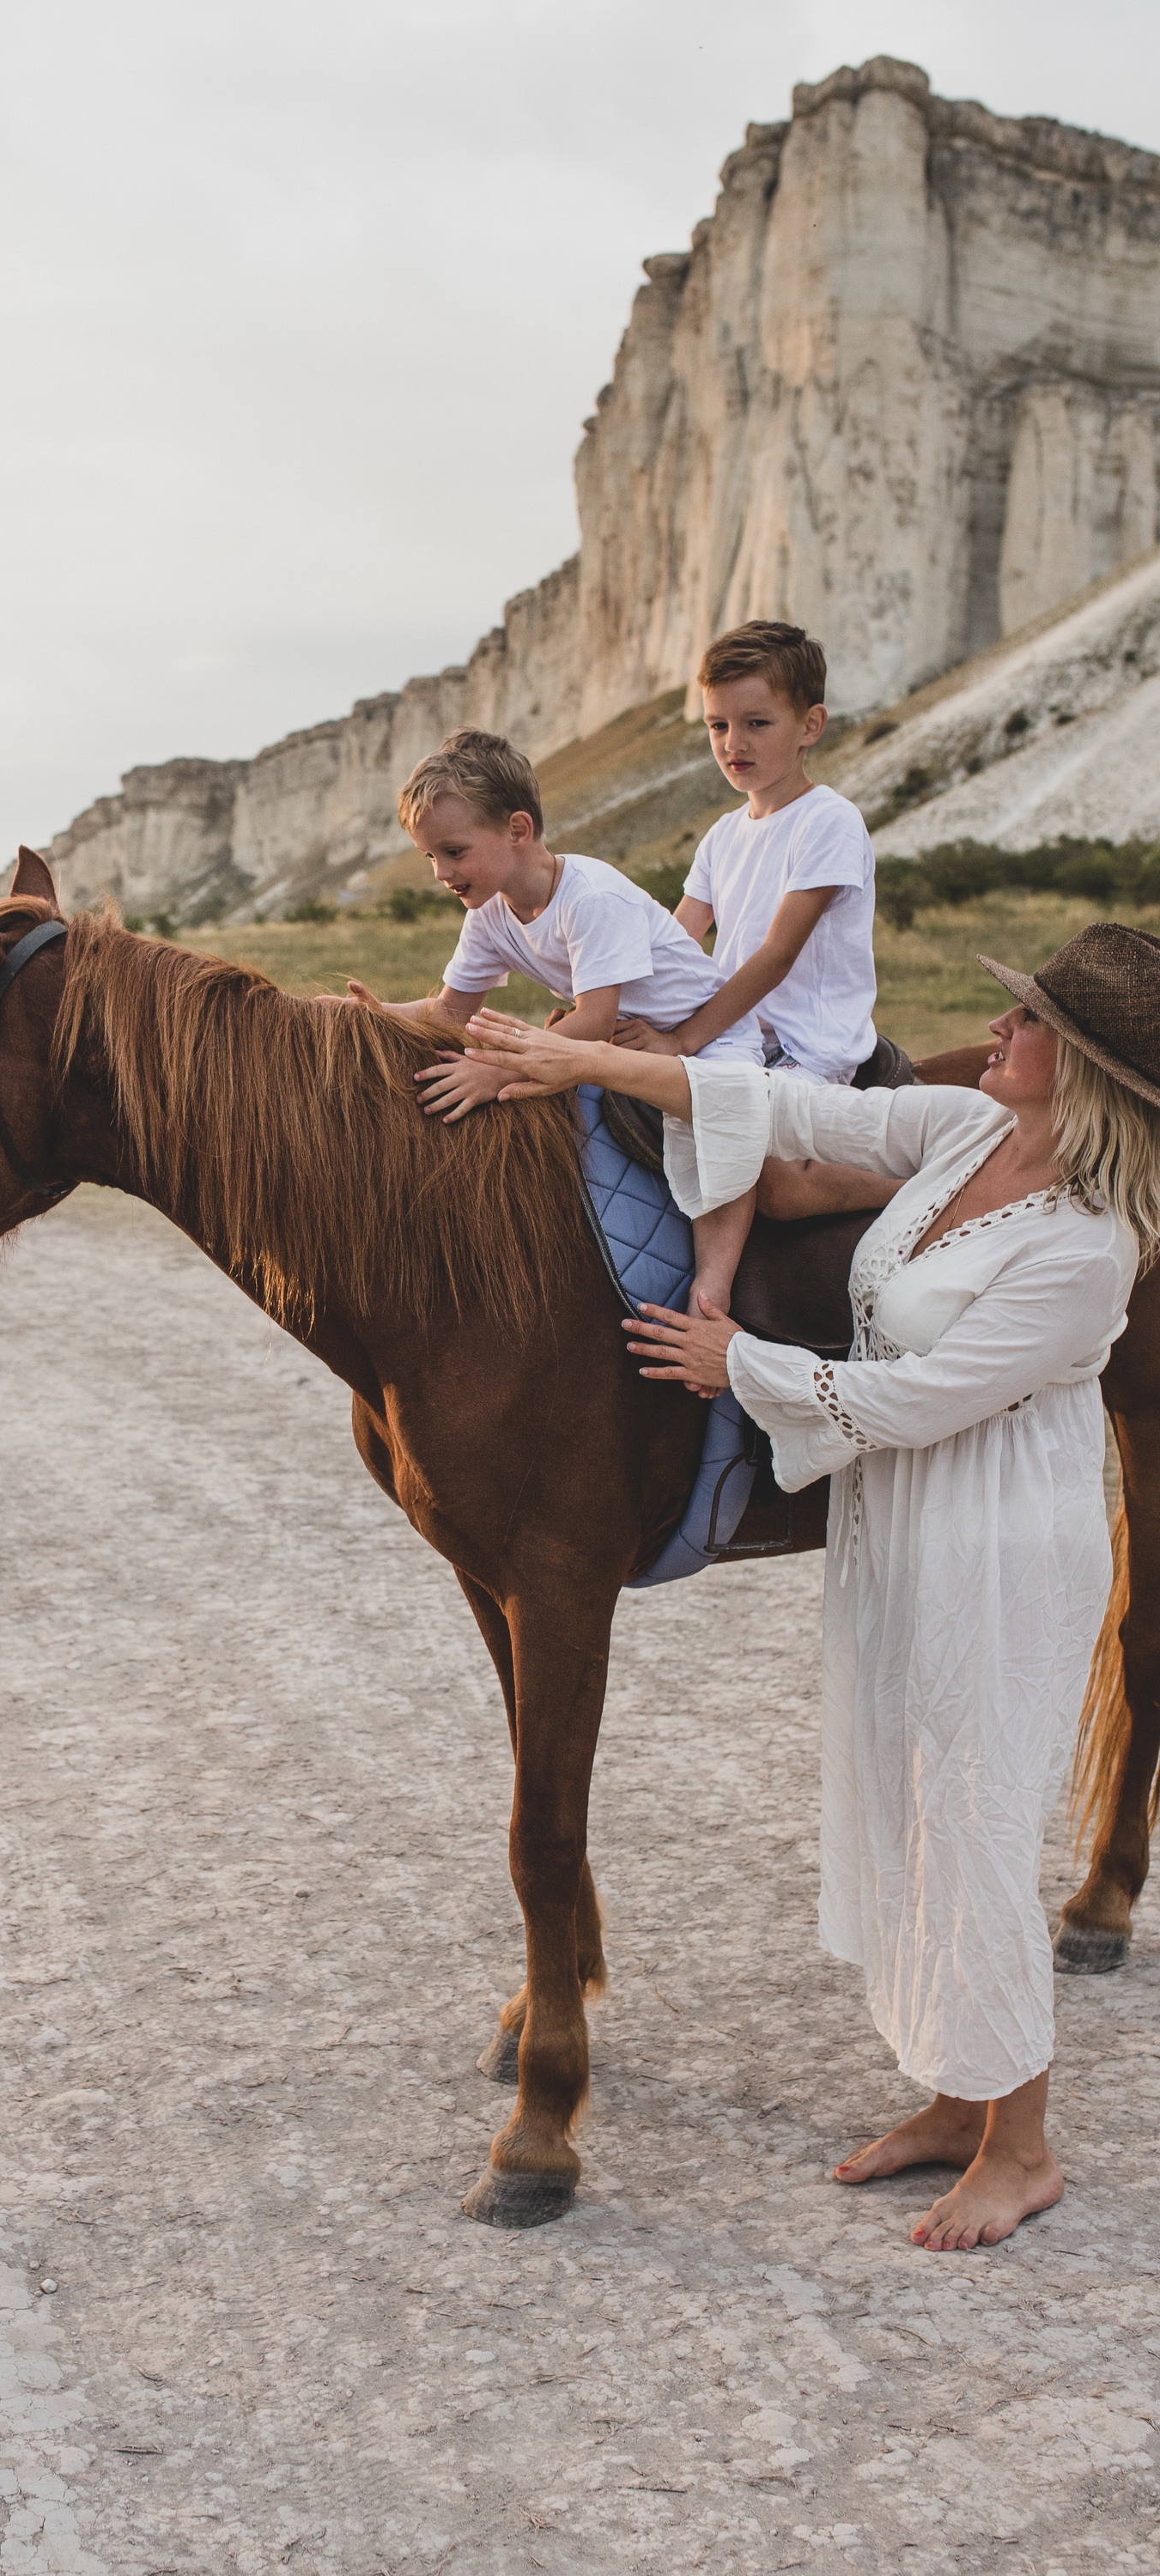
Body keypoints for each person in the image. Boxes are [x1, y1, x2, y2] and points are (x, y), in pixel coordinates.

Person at [459, 920, 1160, 2251]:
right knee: (915, 1799)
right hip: (902, 1528)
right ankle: (961, 2099)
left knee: (981, 1818)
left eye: (1030, 1022)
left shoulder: (1088, 1247)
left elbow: (922, 1397)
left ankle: (1024, 2147)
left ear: (1085, 1075)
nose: (997, 1026)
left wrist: (740, 1365)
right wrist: (585, 1058)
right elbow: (784, 1103)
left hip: (998, 1542)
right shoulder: (963, 1128)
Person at [345, 727, 764, 1310]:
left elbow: (592, 1021)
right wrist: (372, 1014)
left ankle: (710, 1290)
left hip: (708, 1037)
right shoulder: (490, 914)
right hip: (625, 1040)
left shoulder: (590, 897)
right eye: (430, 856)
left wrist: (496, 1071)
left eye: (455, 851)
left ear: (517, 830)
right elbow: (449, 1011)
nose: (441, 872)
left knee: (711, 1133)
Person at [615, 620, 882, 1305]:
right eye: (717, 726)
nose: (734, 745)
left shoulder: (829, 821)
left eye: (757, 722)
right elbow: (675, 944)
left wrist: (681, 1040)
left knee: (775, 1183)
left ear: (809, 725)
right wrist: (612, 1004)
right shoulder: (723, 834)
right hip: (731, 1037)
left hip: (804, 1042)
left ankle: (936, 1180)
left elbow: (776, 955)